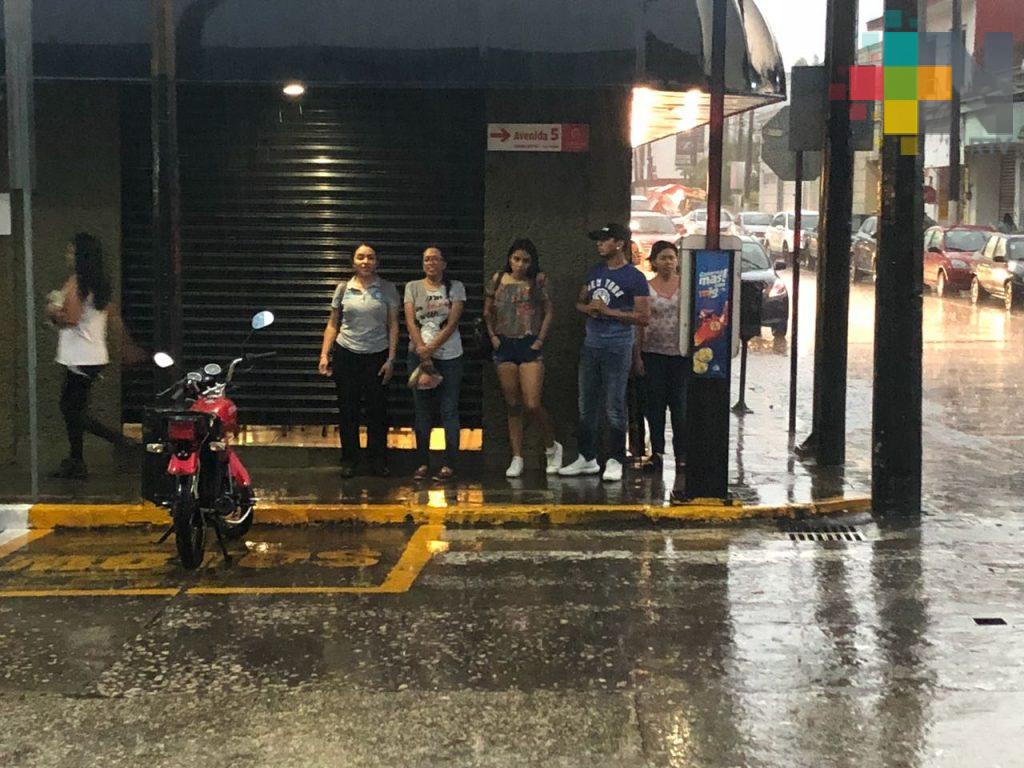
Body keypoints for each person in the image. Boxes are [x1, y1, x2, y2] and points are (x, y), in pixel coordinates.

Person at [559, 223, 650, 482]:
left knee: (614, 405)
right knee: (586, 404)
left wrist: (609, 312)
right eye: (598, 240)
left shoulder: (635, 278)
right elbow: (580, 302)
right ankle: (587, 457)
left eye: (605, 239)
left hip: (617, 346)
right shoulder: (594, 272)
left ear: (619, 243)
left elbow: (643, 317)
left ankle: (615, 459)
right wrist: (588, 309)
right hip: (592, 345)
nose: (599, 244)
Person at [46, 233, 128, 479]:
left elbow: (70, 319)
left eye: (71, 251)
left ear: (81, 256)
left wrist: (52, 311)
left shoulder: (77, 284)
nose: (67, 256)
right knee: (73, 408)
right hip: (91, 354)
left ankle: (117, 441)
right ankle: (76, 459)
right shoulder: (98, 282)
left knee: (72, 410)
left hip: (79, 356)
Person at [319, 244, 400, 477]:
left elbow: (393, 325)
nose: (365, 261)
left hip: (377, 354)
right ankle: (350, 460)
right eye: (360, 257)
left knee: (378, 411)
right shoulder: (343, 288)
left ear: (377, 262)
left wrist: (391, 358)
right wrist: (324, 354)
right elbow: (333, 324)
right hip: (347, 354)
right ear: (353, 262)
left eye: (370, 257)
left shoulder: (388, 288)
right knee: (348, 410)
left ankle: (378, 460)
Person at [483, 238, 562, 478]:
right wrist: (493, 336)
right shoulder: (498, 279)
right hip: (504, 343)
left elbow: (549, 311)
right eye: (516, 259)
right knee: (512, 404)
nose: (520, 265)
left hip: (529, 343)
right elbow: (487, 311)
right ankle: (517, 456)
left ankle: (551, 445)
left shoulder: (538, 281)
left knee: (532, 403)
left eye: (525, 260)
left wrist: (540, 340)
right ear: (509, 259)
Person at [404, 246, 466, 482]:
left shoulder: (455, 287)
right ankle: (422, 462)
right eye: (426, 259)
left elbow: (452, 323)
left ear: (444, 264)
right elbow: (411, 321)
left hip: (450, 356)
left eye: (435, 259)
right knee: (422, 411)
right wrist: (423, 352)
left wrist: (431, 349)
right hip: (418, 354)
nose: (430, 263)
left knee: (449, 409)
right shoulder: (413, 287)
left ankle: (450, 464)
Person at [634, 241, 687, 470]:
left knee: (680, 406)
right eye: (663, 258)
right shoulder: (646, 288)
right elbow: (639, 323)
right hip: (653, 353)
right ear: (654, 261)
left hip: (680, 354)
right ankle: (656, 452)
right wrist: (637, 356)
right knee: (655, 406)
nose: (668, 262)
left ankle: (682, 454)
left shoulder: (685, 286)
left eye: (671, 258)